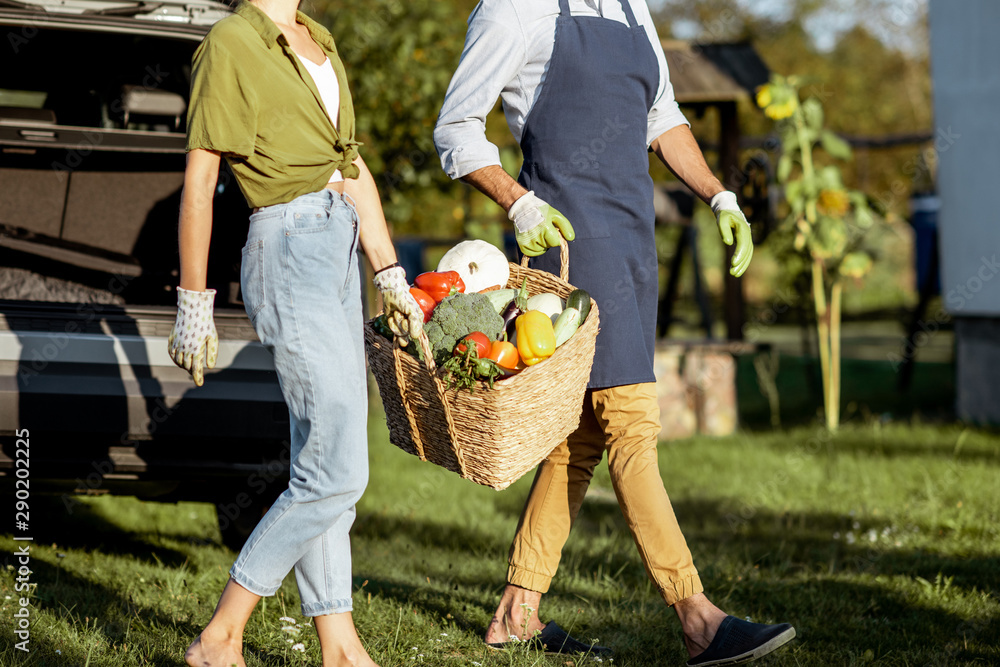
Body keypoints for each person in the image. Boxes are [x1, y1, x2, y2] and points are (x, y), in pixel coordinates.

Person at [433, 1, 794, 664]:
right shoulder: (515, 9)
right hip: (568, 242)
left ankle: (518, 610)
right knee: (631, 422)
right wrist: (519, 202)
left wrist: (720, 195)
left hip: (633, 243)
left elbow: (664, 116)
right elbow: (456, 128)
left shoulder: (630, 7)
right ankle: (698, 618)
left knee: (580, 438)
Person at [167, 1, 422, 665]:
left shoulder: (319, 40)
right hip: (287, 244)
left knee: (325, 452)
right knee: (338, 469)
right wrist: (193, 298)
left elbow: (351, 166)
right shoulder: (231, 41)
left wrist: (389, 270)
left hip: (339, 246)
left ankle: (339, 646)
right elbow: (201, 178)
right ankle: (221, 633)